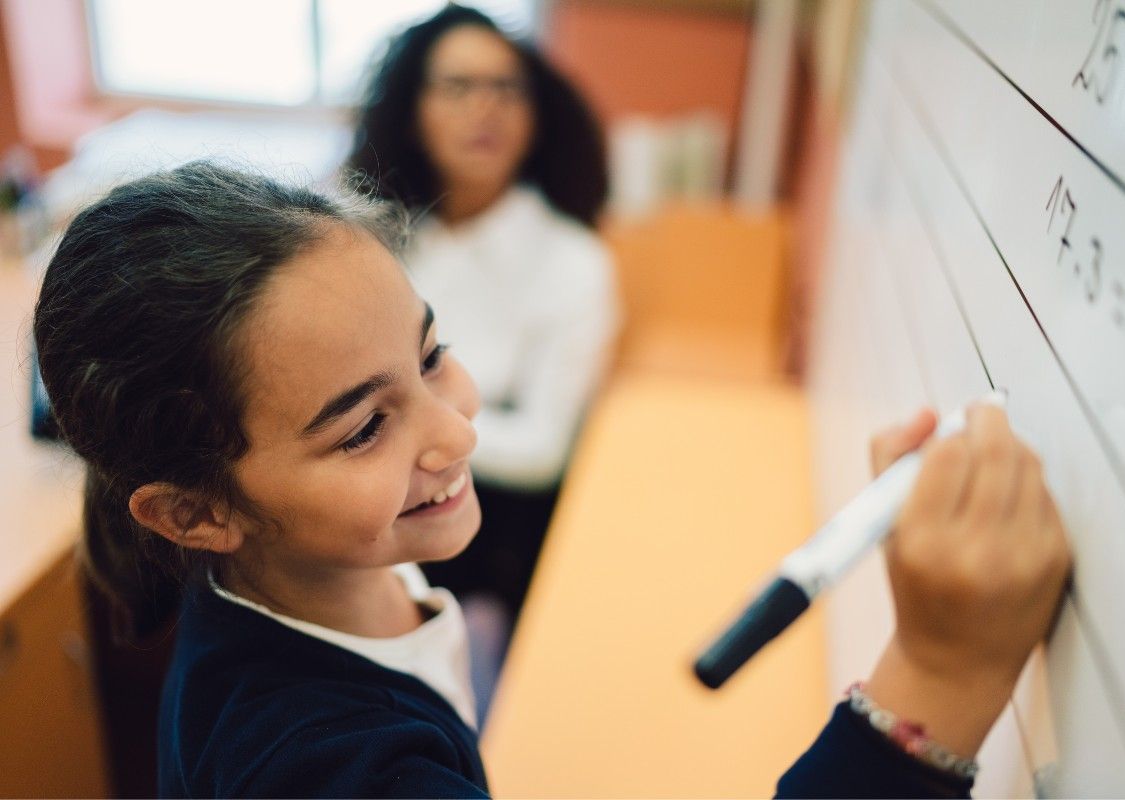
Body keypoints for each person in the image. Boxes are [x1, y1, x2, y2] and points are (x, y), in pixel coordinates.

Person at [34, 162, 1071, 798]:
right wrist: (935, 678)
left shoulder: (276, 585)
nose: (454, 427)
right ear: (197, 511)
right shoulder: (336, 766)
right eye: (363, 429)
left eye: (433, 355)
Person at [346, 6, 617, 698]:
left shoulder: (574, 262)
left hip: (498, 516)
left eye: (507, 88)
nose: (485, 109)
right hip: (374, 490)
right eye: (458, 87)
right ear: (412, 110)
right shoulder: (374, 239)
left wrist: (399, 428)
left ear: (536, 114)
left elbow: (542, 450)